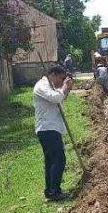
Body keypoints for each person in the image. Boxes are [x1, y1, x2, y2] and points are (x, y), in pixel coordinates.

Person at [33, 65, 73, 201]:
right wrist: (64, 88)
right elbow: (55, 98)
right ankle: (55, 192)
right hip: (47, 129)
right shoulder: (42, 86)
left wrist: (65, 90)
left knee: (51, 161)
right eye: (61, 78)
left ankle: (50, 191)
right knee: (59, 159)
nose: (62, 82)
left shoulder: (50, 86)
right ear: (53, 75)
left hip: (51, 128)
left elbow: (59, 99)